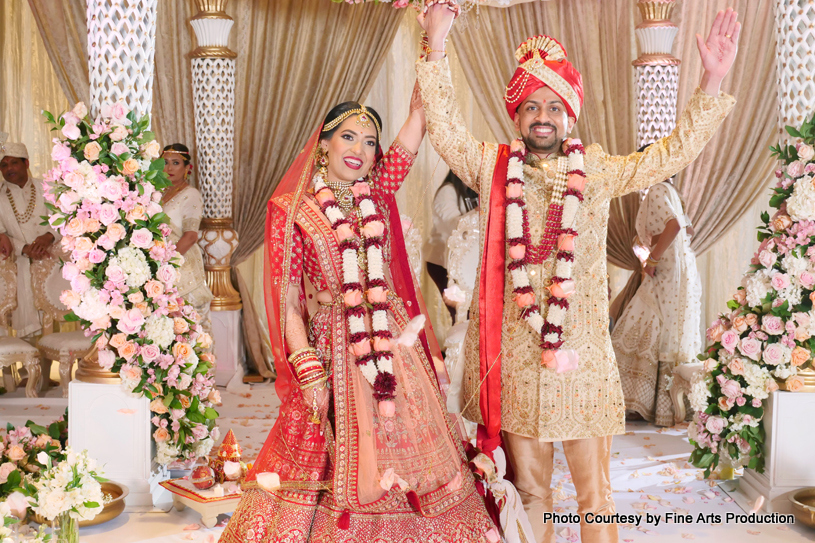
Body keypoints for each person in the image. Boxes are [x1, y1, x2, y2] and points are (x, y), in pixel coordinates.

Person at [416, 4, 740, 542]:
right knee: (532, 494)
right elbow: (444, 127)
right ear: (516, 117)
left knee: (595, 499)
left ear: (570, 115)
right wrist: (436, 43)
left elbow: (670, 154)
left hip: (583, 363)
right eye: (531, 107)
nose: (542, 116)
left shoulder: (600, 170)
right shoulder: (493, 168)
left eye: (554, 106)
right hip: (518, 365)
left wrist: (712, 81)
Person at [219, 88, 498, 542]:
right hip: (332, 340)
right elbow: (289, 299)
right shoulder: (292, 211)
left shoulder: (378, 192)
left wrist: (433, 45)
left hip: (391, 344)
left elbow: (415, 128)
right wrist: (306, 365)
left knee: (406, 444)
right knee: (329, 449)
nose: (359, 150)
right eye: (348, 137)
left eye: (370, 142)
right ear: (323, 143)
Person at [611, 164, 700, 427]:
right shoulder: (671, 191)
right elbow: (687, 229)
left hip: (667, 270)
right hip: (681, 271)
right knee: (666, 329)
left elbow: (673, 226)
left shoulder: (658, 189)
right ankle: (662, 407)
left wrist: (653, 258)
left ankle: (636, 402)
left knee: (643, 321)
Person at [0, 141, 60, 337]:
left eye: (14, 163)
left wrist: (49, 236)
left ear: (26, 164)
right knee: (23, 322)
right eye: (4, 165)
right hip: (18, 263)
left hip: (50, 261)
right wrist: (25, 249)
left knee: (50, 318)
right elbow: (2, 235)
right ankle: (23, 366)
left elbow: (65, 217)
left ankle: (45, 364)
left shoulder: (48, 187)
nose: (9, 169)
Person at [160, 144, 213, 334]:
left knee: (189, 333)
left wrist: (165, 263)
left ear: (186, 168)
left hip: (182, 268)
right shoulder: (158, 194)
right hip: (162, 268)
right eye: (165, 163)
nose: (170, 168)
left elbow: (190, 236)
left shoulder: (191, 195)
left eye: (176, 163)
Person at [424, 170, 478, 321]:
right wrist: (477, 212)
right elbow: (452, 225)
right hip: (440, 261)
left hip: (461, 262)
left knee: (468, 313)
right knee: (461, 312)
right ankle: (457, 344)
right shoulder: (447, 190)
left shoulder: (470, 193)